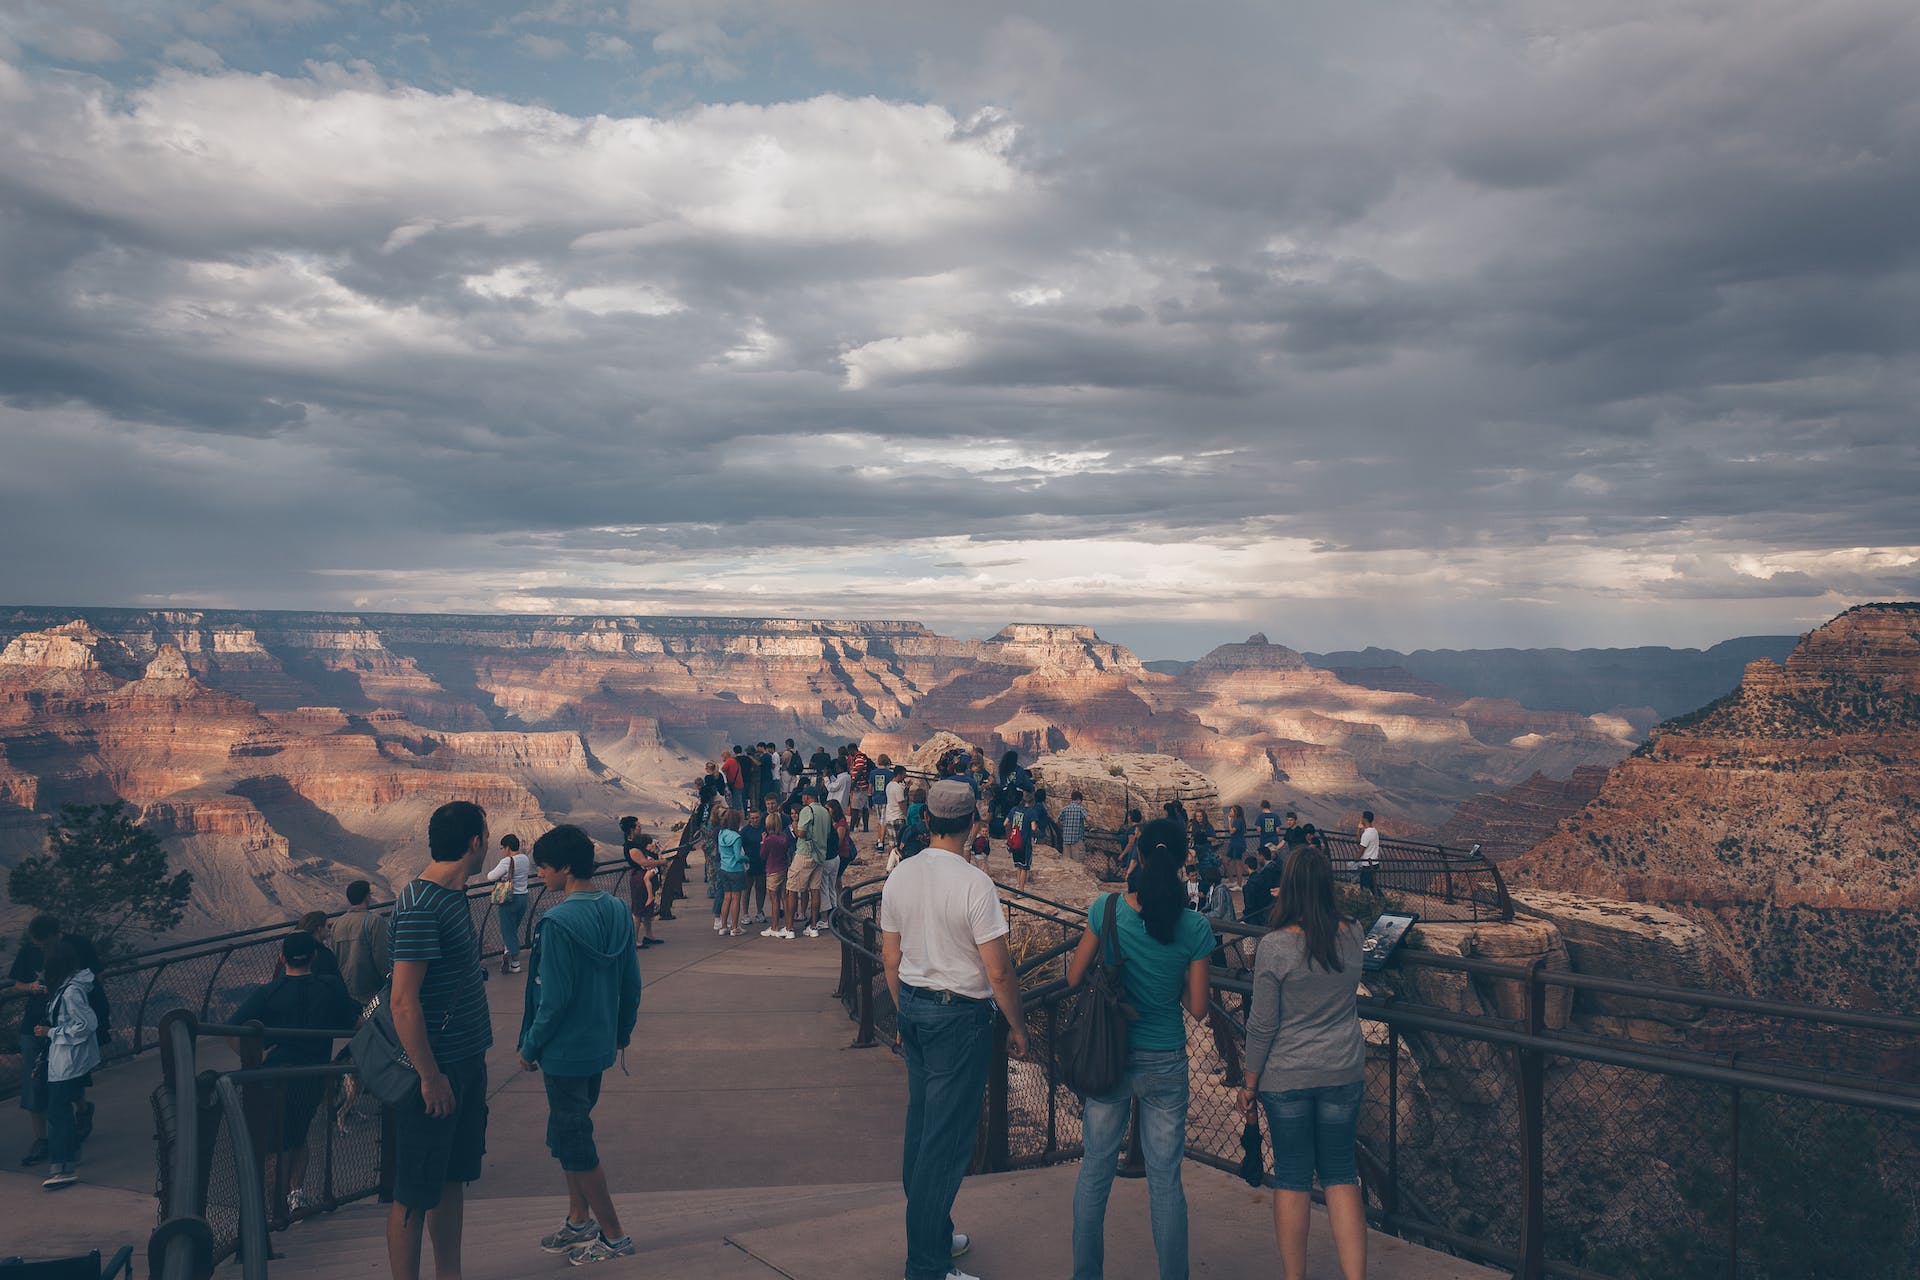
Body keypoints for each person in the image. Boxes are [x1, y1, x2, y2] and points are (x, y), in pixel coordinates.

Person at [881, 780, 1029, 1280]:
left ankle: (937, 1234)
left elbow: (889, 956)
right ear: (972, 823)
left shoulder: (900, 874)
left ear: (927, 820)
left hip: (916, 1011)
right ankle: (927, 1266)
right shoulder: (974, 884)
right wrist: (1018, 1026)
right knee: (945, 1144)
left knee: (923, 1128)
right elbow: (1000, 971)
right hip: (959, 1018)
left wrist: (904, 1014)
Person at [1065, 818, 1214, 1280]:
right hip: (1165, 1059)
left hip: (1109, 1053)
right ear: (1181, 861)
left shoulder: (1106, 910)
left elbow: (1073, 977)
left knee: (1095, 1171)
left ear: (1140, 856)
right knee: (1166, 1182)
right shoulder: (1194, 926)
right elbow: (1199, 1008)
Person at [1237, 847, 1367, 1280]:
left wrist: (1249, 1083)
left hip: (1286, 1076)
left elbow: (1262, 1024)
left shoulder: (1274, 946)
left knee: (1292, 1177)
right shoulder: (1352, 933)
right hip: (1342, 1070)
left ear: (1287, 886)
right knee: (1341, 1175)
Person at [518, 824, 643, 1265]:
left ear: (566, 868)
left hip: (564, 1052)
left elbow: (552, 1000)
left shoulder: (556, 923)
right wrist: (621, 1032)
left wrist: (530, 1047)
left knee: (575, 1140)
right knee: (567, 1132)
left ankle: (613, 1235)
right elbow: (631, 983)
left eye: (545, 868)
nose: (541, 876)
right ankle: (578, 1221)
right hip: (599, 1045)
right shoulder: (617, 910)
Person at [384, 800, 493, 1280]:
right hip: (436, 1071)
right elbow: (403, 1002)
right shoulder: (420, 906)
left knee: (451, 1179)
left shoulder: (453, 897)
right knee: (412, 1192)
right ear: (475, 842)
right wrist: (430, 1077)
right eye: (485, 836)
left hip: (465, 1062)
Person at [232, 932, 359, 1215]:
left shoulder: (269, 992)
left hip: (273, 1078)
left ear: (281, 958)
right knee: (299, 1136)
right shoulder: (330, 988)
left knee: (276, 1143)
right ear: (314, 957)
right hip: (313, 1074)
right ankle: (295, 1196)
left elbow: (233, 1027)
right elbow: (354, 1021)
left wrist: (254, 1056)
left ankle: (273, 1206)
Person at [32, 938, 98, 1191]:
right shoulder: (66, 988)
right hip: (64, 1060)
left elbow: (86, 1026)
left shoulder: (71, 992)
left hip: (67, 1060)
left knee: (57, 1114)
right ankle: (68, 1158)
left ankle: (62, 1167)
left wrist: (51, 1032)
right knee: (61, 1111)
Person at [12, 913, 62, 1167]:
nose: (40, 946)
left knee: (61, 1081)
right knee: (33, 1081)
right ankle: (41, 1138)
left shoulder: (69, 952)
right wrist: (30, 987)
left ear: (56, 935)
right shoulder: (28, 953)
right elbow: (17, 984)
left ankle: (65, 1134)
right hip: (32, 1024)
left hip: (62, 1024)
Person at [334, 881, 391, 1005]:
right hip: (371, 991)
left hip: (347, 989)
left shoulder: (337, 923)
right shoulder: (374, 921)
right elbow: (382, 957)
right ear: (367, 896)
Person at [487, 834, 533, 973]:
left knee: (508, 931)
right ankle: (507, 951)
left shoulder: (507, 861)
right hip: (523, 898)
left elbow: (490, 877)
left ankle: (515, 964)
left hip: (509, 899)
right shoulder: (525, 858)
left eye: (503, 848)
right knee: (513, 929)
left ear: (507, 847)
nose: (502, 851)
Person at [795, 789, 836, 937]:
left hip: (806, 853)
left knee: (792, 888)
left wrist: (795, 828)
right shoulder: (825, 811)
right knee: (816, 890)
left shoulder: (807, 810)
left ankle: (789, 928)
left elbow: (801, 833)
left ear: (807, 797)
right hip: (820, 854)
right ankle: (813, 926)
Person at [622, 825, 669, 949]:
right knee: (638, 910)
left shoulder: (638, 846)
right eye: (637, 826)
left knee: (648, 910)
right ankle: (634, 939)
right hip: (640, 879)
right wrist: (661, 862)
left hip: (646, 877)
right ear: (631, 829)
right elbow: (644, 863)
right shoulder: (632, 848)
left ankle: (648, 935)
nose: (640, 828)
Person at [713, 807, 749, 936]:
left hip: (724, 868)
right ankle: (734, 927)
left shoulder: (722, 833)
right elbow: (738, 857)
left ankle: (723, 926)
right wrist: (747, 858)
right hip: (735, 870)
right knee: (736, 898)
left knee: (726, 898)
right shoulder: (736, 837)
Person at [760, 808, 795, 939]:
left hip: (772, 869)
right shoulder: (783, 837)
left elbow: (762, 855)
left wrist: (763, 841)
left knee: (774, 900)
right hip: (783, 868)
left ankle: (774, 926)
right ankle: (788, 925)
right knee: (784, 898)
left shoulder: (769, 839)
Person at [740, 807, 768, 927]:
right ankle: (745, 914)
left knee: (761, 888)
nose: (755, 820)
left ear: (760, 817)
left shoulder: (764, 828)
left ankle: (759, 911)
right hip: (749, 864)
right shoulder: (745, 831)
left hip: (761, 864)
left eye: (756, 818)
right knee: (746, 890)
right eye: (752, 818)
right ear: (749, 818)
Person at [1058, 791, 1089, 865]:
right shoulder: (1080, 808)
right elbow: (1088, 819)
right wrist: (1093, 826)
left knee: (1067, 864)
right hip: (1077, 841)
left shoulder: (1065, 809)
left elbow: (1058, 820)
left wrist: (1064, 827)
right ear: (1078, 799)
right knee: (1078, 864)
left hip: (1066, 840)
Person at [1357, 811, 1381, 893]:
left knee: (1365, 887)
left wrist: (1355, 859)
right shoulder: (1374, 831)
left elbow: (1361, 848)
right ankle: (1382, 901)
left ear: (1364, 819)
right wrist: (1359, 830)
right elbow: (1360, 842)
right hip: (1374, 863)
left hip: (1368, 864)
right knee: (1372, 886)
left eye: (1362, 818)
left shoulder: (1367, 834)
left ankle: (1366, 902)